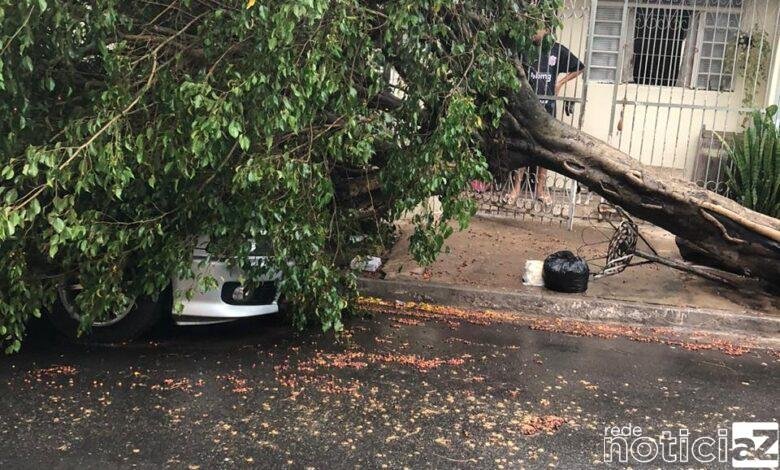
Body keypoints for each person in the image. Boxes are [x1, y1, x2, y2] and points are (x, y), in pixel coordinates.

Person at [504, 28, 584, 206]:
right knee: (523, 146)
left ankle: (540, 189)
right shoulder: (524, 49)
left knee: (547, 150)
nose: (533, 32)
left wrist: (560, 83)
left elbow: (579, 67)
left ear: (547, 30)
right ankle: (516, 188)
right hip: (526, 107)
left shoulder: (556, 49)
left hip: (547, 108)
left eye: (537, 28)